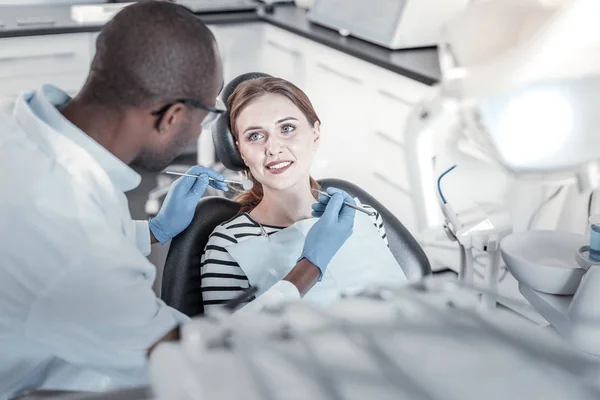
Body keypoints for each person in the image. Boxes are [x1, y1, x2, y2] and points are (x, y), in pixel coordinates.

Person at [0, 2, 355, 398]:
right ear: (171, 116)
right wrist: (309, 267)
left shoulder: (25, 131)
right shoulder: (76, 243)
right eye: (206, 117)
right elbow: (197, 361)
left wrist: (152, 231)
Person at [201, 77, 407, 312]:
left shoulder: (363, 217)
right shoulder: (228, 243)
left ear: (315, 134)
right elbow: (224, 343)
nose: (274, 148)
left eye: (287, 128)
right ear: (242, 151)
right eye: (255, 136)